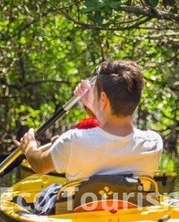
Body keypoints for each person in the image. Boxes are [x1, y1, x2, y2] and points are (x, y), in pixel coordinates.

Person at [15, 60, 163, 182]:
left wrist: (29, 147)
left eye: (96, 94)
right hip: (129, 212)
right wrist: (94, 105)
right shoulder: (154, 143)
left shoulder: (73, 141)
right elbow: (113, 135)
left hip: (82, 212)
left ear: (103, 99)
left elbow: (40, 165)